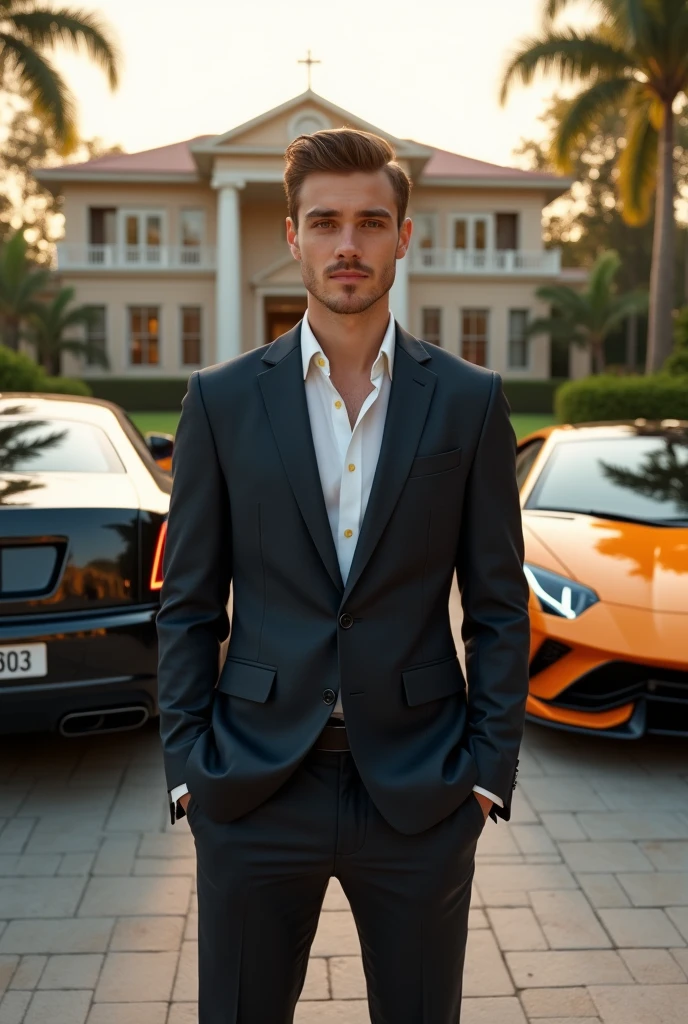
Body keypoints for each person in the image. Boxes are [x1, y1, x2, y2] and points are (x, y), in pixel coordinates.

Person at [157, 127, 531, 1024]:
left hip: (421, 789)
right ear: (293, 236)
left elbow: (498, 607)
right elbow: (189, 604)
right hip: (252, 784)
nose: (348, 245)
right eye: (324, 222)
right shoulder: (222, 398)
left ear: (404, 235)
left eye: (371, 222)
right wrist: (188, 770)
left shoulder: (471, 401)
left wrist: (485, 773)